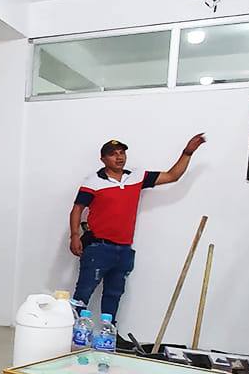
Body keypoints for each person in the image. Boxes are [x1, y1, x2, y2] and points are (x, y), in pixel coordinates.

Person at [70, 134, 206, 322]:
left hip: (124, 249)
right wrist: (74, 235)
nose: (119, 157)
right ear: (103, 159)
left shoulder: (136, 177)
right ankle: (70, 332)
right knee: (82, 294)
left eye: (122, 153)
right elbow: (77, 209)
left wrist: (187, 153)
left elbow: (172, 176)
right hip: (99, 248)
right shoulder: (93, 181)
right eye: (113, 154)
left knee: (114, 295)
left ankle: (109, 332)